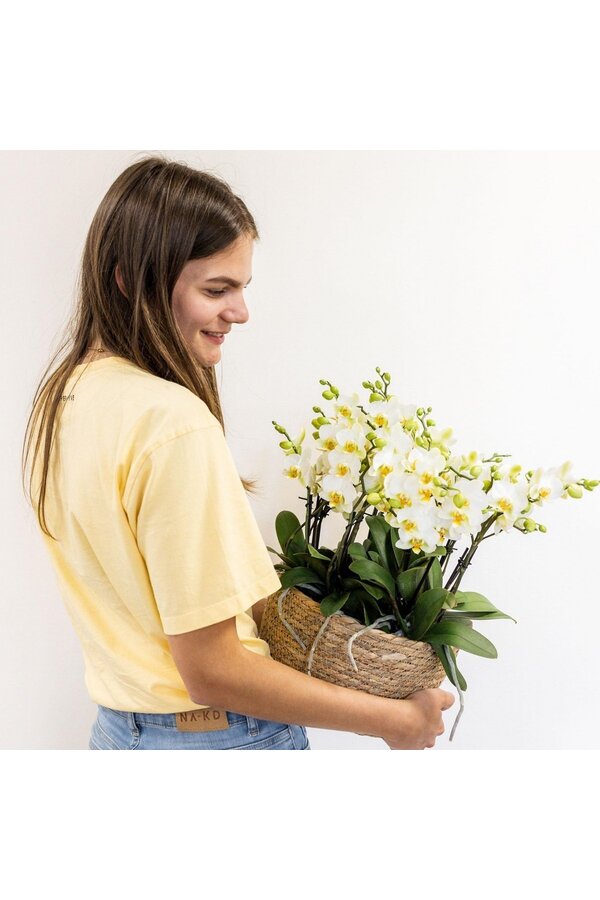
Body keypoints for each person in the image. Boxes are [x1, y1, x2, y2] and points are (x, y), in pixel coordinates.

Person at [22, 153, 455, 750]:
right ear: (129, 280)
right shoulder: (170, 422)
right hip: (222, 741)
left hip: (119, 734)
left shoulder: (65, 397)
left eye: (242, 288)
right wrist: (392, 719)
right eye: (216, 289)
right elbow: (212, 669)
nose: (240, 312)